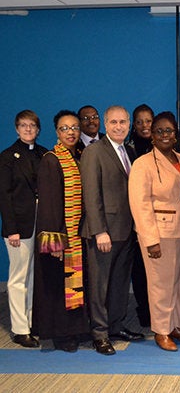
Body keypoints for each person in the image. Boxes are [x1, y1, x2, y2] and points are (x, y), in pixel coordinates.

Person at [80, 105, 144, 356]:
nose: (119, 126)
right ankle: (99, 333)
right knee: (99, 286)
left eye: (123, 122)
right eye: (114, 122)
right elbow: (91, 194)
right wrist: (99, 231)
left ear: (128, 124)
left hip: (126, 231)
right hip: (104, 233)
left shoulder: (129, 150)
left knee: (118, 284)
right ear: (106, 125)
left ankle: (116, 326)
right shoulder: (94, 152)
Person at [129, 111, 180, 352]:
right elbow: (140, 204)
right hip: (160, 235)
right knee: (161, 284)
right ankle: (161, 330)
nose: (165, 135)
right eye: (159, 131)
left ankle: (177, 325)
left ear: (175, 135)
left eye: (169, 131)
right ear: (152, 136)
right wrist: (150, 240)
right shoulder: (142, 164)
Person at [32, 110, 89, 352]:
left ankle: (75, 329)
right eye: (65, 128)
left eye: (75, 127)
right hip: (59, 237)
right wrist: (55, 242)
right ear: (56, 132)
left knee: (75, 283)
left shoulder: (78, 157)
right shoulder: (51, 160)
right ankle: (60, 334)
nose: (71, 132)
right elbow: (48, 203)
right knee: (58, 285)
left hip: (77, 234)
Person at [0, 110, 47, 348]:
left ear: (38, 129)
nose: (28, 129)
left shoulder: (43, 153)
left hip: (41, 224)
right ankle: (20, 329)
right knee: (18, 278)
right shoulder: (7, 157)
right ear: (16, 129)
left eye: (32, 126)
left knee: (34, 277)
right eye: (23, 125)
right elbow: (4, 197)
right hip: (19, 226)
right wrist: (11, 229)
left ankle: (30, 322)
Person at [125, 103, 154, 328]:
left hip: (161, 218)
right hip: (135, 218)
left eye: (148, 121)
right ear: (134, 125)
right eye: (140, 121)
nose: (145, 125)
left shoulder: (163, 146)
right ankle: (144, 310)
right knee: (140, 270)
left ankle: (159, 312)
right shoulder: (127, 149)